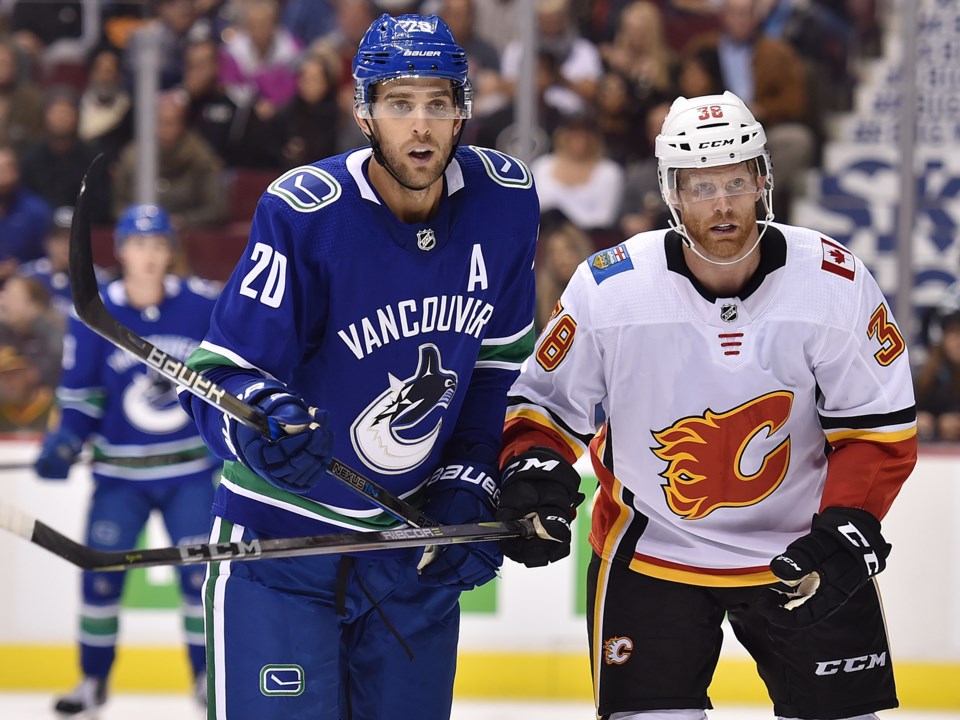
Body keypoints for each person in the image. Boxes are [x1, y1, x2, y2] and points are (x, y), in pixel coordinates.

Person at [494, 91, 918, 719]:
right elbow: (543, 409)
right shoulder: (612, 290)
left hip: (805, 555)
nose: (722, 205)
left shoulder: (834, 281)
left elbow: (878, 430)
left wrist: (846, 523)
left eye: (735, 182)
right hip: (652, 553)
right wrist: (532, 468)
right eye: (700, 187)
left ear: (762, 182)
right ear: (672, 194)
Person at [179, 13, 538, 720]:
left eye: (438, 103)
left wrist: (470, 477)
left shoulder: (505, 201)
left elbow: (497, 367)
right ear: (364, 111)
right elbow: (219, 380)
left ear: (463, 110)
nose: (422, 127)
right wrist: (261, 425)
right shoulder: (305, 214)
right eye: (400, 104)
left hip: (410, 548)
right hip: (282, 542)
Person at [34, 205, 220, 716]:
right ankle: (93, 681)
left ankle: (207, 679)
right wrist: (66, 440)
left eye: (158, 244)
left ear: (169, 250)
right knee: (99, 577)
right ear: (121, 251)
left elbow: (225, 383)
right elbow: (82, 395)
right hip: (120, 478)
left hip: (190, 474)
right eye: (139, 245)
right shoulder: (93, 310)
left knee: (197, 580)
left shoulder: (203, 305)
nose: (149, 256)